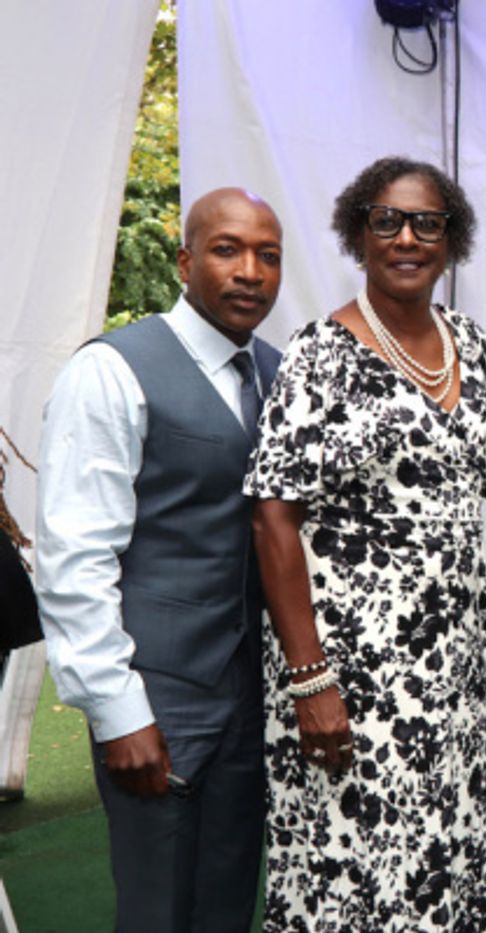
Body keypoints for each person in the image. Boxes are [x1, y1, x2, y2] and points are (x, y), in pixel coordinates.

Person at [244, 156, 486, 931]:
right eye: (386, 220)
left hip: (451, 673)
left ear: (451, 238)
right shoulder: (317, 354)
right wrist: (309, 679)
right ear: (357, 233)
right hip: (352, 678)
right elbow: (272, 517)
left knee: (450, 855)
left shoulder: (472, 345)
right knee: (357, 868)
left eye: (428, 222)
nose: (406, 236)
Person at [35, 188, 282, 932]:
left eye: (268, 256)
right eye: (227, 249)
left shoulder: (277, 370)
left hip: (249, 699)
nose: (250, 271)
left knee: (227, 902)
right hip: (157, 693)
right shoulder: (113, 369)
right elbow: (74, 554)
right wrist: (116, 709)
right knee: (157, 911)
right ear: (184, 261)